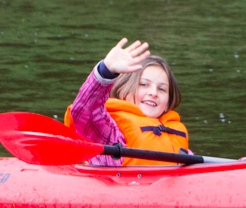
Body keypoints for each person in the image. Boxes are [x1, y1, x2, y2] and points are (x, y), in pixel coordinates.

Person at [64, 38, 189, 166]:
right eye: (144, 84)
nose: (154, 93)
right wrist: (106, 71)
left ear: (168, 103)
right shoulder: (111, 133)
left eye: (162, 89)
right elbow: (84, 111)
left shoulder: (177, 135)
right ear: (124, 90)